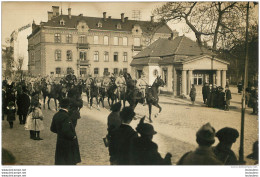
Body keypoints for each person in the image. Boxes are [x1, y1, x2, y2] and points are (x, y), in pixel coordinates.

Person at [50, 98, 81, 165]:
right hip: (68, 143)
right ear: (68, 106)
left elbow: (52, 128)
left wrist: (59, 132)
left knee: (60, 161)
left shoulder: (56, 115)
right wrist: (73, 136)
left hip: (59, 141)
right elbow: (66, 130)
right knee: (69, 162)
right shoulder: (66, 116)